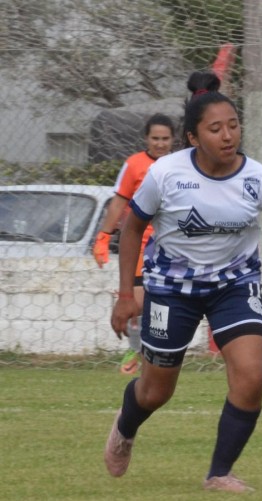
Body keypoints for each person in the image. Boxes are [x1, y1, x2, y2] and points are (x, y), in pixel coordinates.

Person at [103, 71, 262, 493]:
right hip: (169, 289)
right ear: (193, 137)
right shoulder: (166, 174)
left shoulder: (258, 178)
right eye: (215, 128)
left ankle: (219, 472)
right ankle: (126, 426)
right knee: (155, 393)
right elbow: (130, 229)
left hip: (234, 286)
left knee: (251, 376)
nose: (227, 135)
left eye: (233, 125)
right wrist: (128, 294)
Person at [93, 113, 176, 375]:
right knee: (134, 305)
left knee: (164, 306)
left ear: (173, 140)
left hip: (173, 245)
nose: (160, 144)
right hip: (141, 245)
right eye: (155, 138)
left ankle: (158, 353)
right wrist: (103, 237)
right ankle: (135, 349)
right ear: (146, 139)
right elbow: (119, 201)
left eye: (165, 139)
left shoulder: (181, 165)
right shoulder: (134, 164)